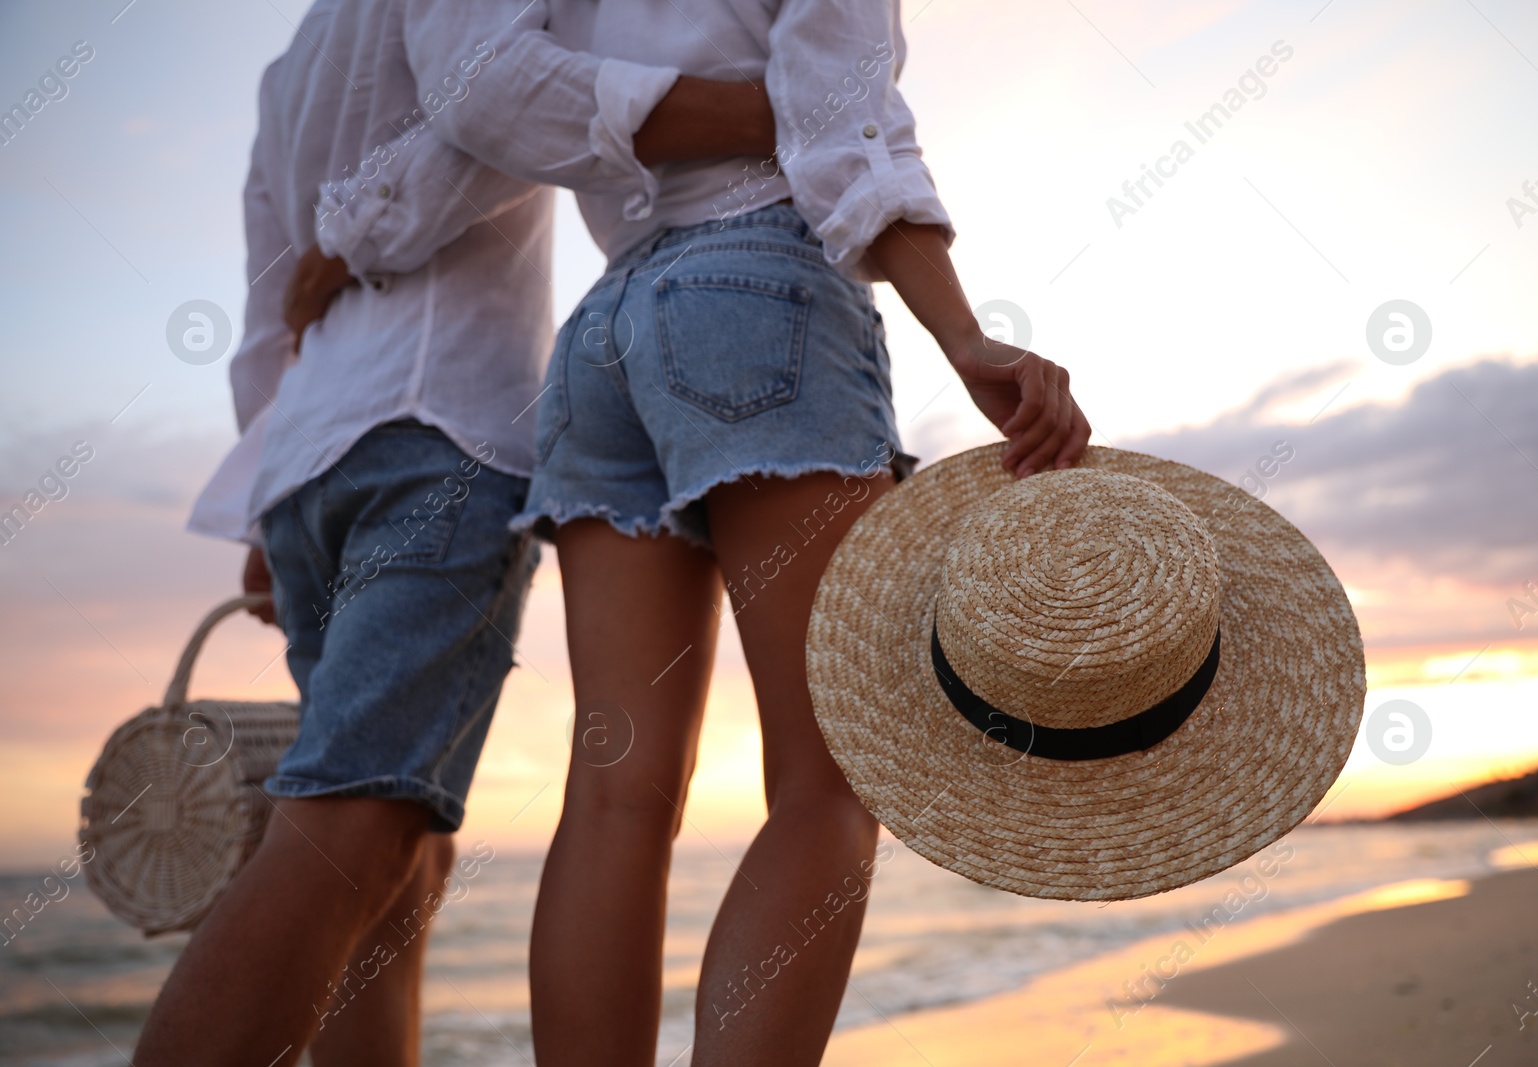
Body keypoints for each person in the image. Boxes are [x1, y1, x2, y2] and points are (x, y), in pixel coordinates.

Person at [314, 2, 1089, 1063]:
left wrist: (359, 226)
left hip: (600, 338)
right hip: (760, 283)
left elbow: (491, 100)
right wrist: (961, 332)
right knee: (833, 777)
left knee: (615, 795)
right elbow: (844, 118)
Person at [135, 0, 779, 1063]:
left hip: (308, 466)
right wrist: (357, 233)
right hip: (436, 432)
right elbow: (496, 116)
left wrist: (265, 495)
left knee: (397, 867)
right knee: (358, 823)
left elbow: (263, 321)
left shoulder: (286, 67)